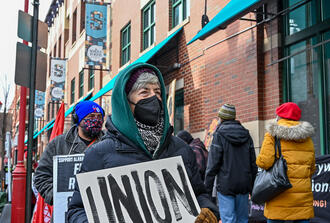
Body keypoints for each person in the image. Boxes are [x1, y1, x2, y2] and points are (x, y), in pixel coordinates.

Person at [67, 63, 219, 223]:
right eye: (144, 92)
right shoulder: (98, 154)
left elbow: (199, 194)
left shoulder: (181, 148)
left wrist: (209, 211)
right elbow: (77, 210)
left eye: (158, 92)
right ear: (125, 102)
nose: (154, 98)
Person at [34, 100, 105, 206]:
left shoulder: (109, 143)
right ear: (78, 119)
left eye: (99, 117)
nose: (96, 120)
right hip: (66, 210)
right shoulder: (58, 144)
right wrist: (57, 197)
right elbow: (41, 176)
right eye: (91, 116)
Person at [256, 102, 315, 223]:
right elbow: (312, 168)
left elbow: (265, 162)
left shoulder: (272, 135)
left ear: (279, 116)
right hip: (301, 199)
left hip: (278, 194)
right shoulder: (307, 139)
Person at [205, 104, 258, 223]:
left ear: (221, 118)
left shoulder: (219, 135)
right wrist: (253, 187)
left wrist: (207, 191)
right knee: (242, 220)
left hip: (226, 185)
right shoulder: (246, 135)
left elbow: (212, 165)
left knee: (228, 220)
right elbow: (253, 164)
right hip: (244, 185)